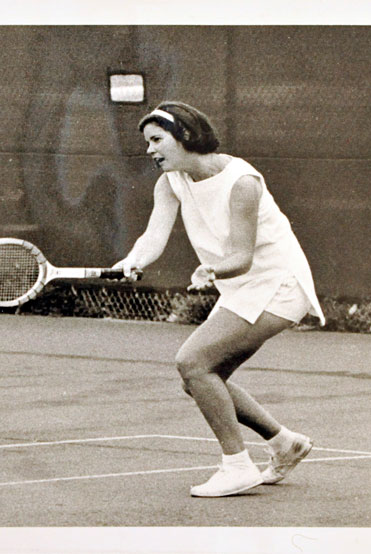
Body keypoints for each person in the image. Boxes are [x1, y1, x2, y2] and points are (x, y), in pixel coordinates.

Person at [113, 101, 326, 497]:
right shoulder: (171, 181)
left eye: (157, 140)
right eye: (148, 142)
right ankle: (284, 443)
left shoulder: (242, 182)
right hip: (241, 285)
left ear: (186, 136)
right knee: (201, 378)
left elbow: (242, 257)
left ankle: (237, 466)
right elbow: (153, 236)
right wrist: (134, 259)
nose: (149, 150)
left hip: (279, 285)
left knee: (193, 362)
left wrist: (212, 271)